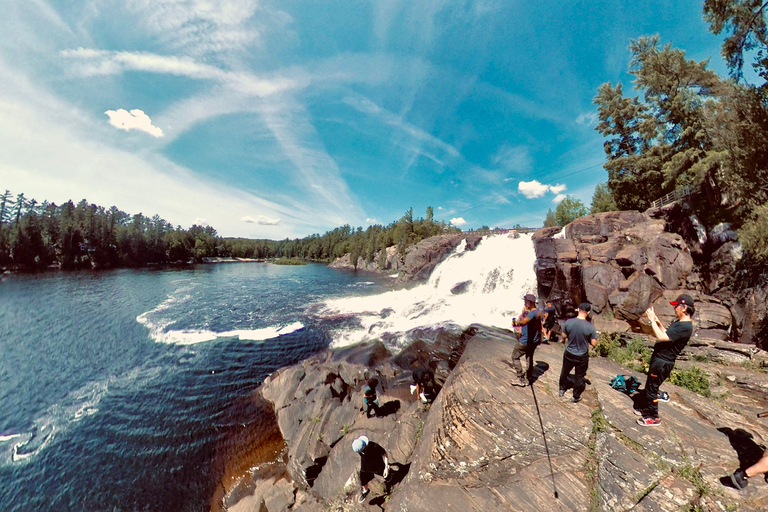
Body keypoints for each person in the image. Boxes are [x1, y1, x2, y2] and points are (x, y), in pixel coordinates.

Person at [635, 294, 695, 427]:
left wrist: (651, 321)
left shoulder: (685, 326)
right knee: (651, 386)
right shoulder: (680, 323)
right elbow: (667, 333)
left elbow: (662, 337)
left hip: (663, 362)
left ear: (684, 308)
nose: (675, 309)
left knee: (651, 389)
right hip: (660, 360)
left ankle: (653, 417)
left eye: (676, 306)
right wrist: (657, 321)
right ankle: (649, 408)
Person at [558, 302, 598, 403]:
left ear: (578, 309)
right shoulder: (590, 327)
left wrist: (563, 341)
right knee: (579, 376)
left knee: (565, 371)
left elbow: (563, 335)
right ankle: (575, 396)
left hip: (569, 353)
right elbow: (594, 343)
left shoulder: (568, 322)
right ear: (588, 312)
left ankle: (561, 390)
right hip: (581, 356)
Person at [510, 293, 542, 386]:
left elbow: (524, 322)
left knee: (515, 357)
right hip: (534, 341)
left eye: (525, 301)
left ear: (530, 302)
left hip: (525, 341)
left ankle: (520, 378)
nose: (524, 303)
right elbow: (539, 326)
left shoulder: (532, 314)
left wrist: (517, 322)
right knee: (529, 358)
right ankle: (529, 378)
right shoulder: (538, 312)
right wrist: (539, 337)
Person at [352, 434, 394, 503]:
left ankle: (390, 474)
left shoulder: (374, 446)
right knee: (363, 481)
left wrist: (386, 467)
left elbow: (384, 454)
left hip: (377, 466)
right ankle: (365, 491)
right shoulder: (360, 450)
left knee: (387, 477)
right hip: (365, 467)